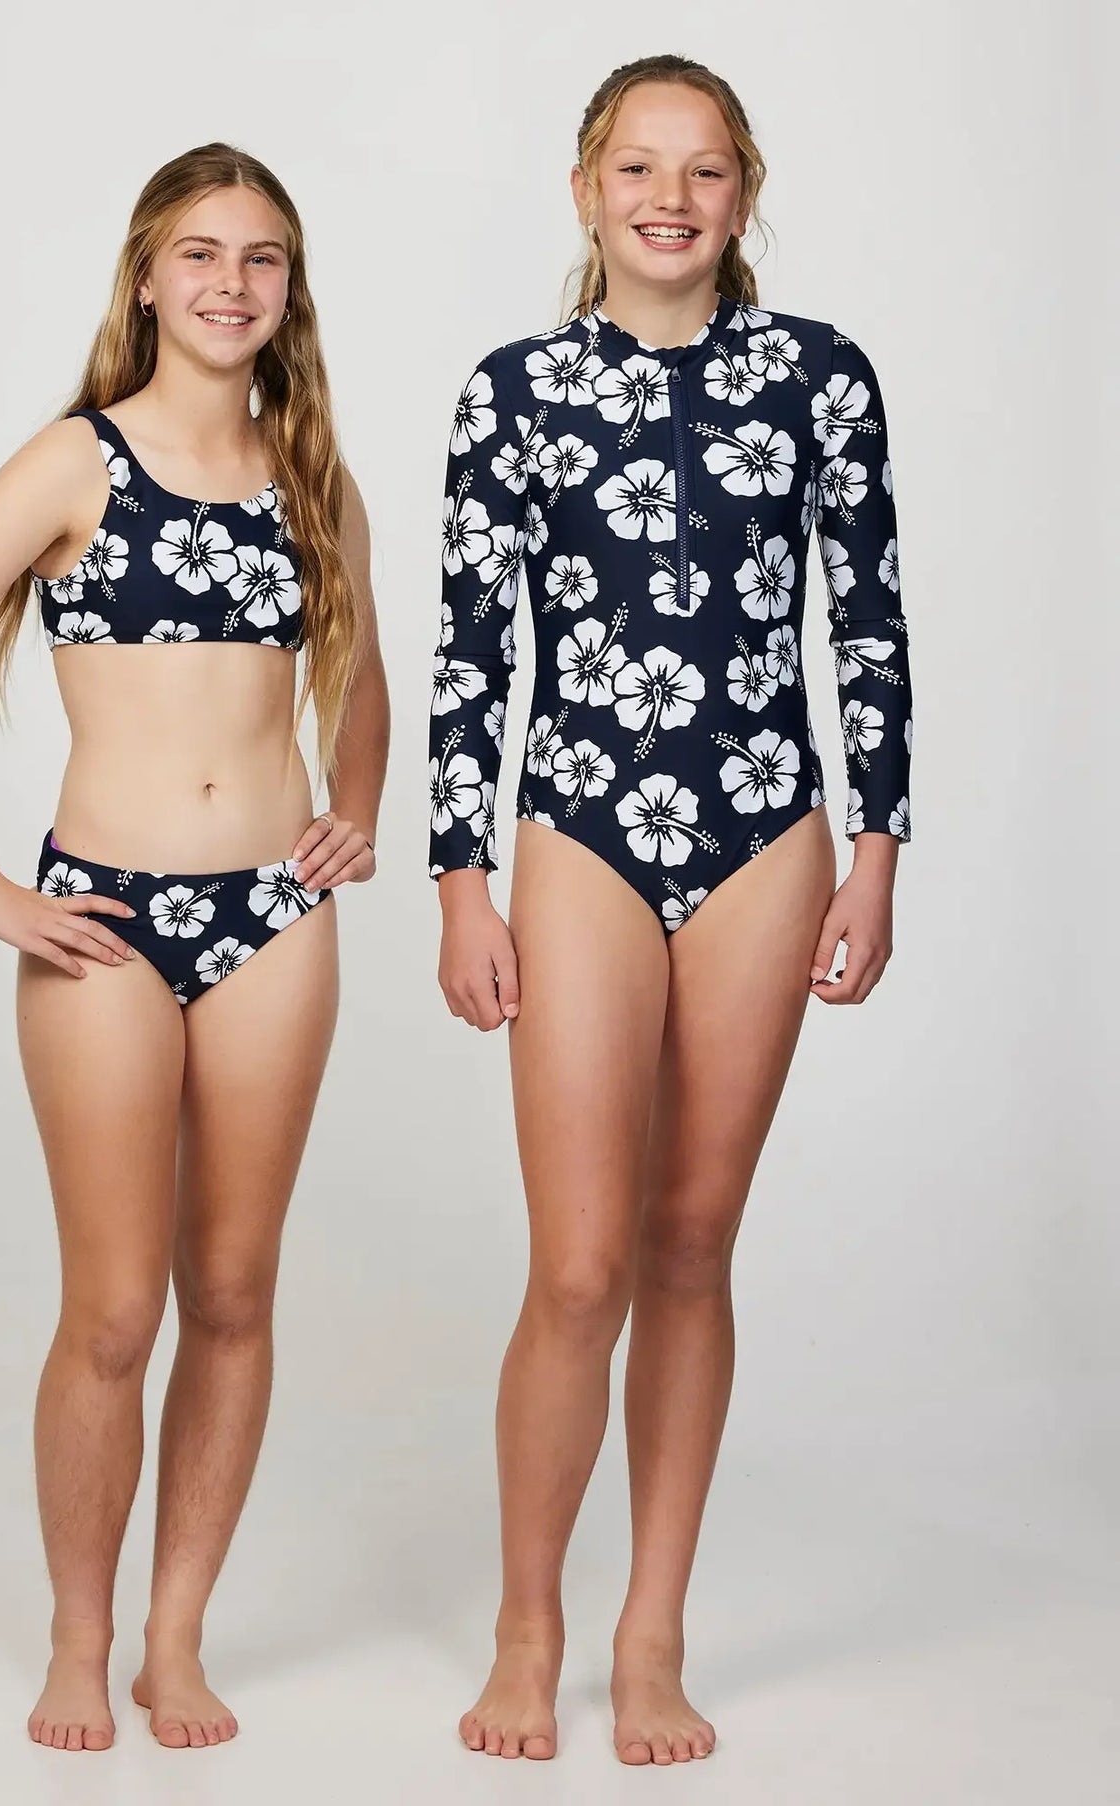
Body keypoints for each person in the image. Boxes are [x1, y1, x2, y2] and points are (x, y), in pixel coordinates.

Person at [0, 144, 388, 1754]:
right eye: (202, 253)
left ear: (291, 292)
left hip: (272, 918)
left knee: (233, 1289)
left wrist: (349, 811)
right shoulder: (74, 463)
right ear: (145, 277)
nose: (232, 283)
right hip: (107, 920)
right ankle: (77, 1638)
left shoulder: (312, 472)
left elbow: (362, 672)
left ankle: (173, 1637)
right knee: (113, 1309)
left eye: (264, 259)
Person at [430, 55, 910, 1766]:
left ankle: (650, 1635)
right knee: (577, 1260)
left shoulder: (819, 380)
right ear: (583, 190)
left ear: (741, 192)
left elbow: (863, 623)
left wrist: (874, 848)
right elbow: (473, 656)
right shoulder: (514, 391)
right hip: (573, 834)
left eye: (705, 170)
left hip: (764, 836)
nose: (671, 195)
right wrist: (458, 878)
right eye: (638, 165)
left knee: (691, 1240)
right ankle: (527, 1622)